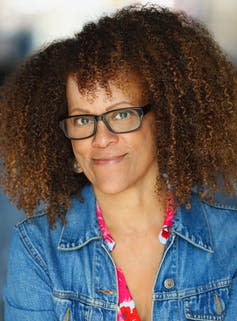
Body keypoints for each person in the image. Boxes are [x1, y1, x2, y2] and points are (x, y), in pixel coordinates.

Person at [1, 4, 237, 321]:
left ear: (164, 121)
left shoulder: (230, 239)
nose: (101, 138)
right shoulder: (37, 248)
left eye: (121, 114)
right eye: (83, 119)